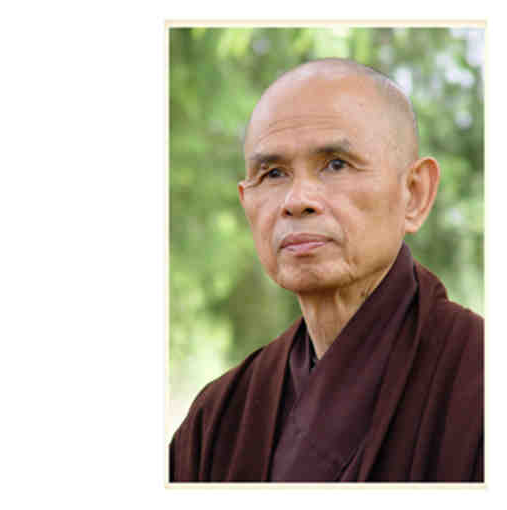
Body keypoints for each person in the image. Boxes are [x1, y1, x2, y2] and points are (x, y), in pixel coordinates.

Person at [169, 58, 484, 483]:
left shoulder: (480, 380)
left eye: (336, 164)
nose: (297, 200)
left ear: (414, 194)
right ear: (246, 203)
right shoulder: (220, 417)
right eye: (273, 173)